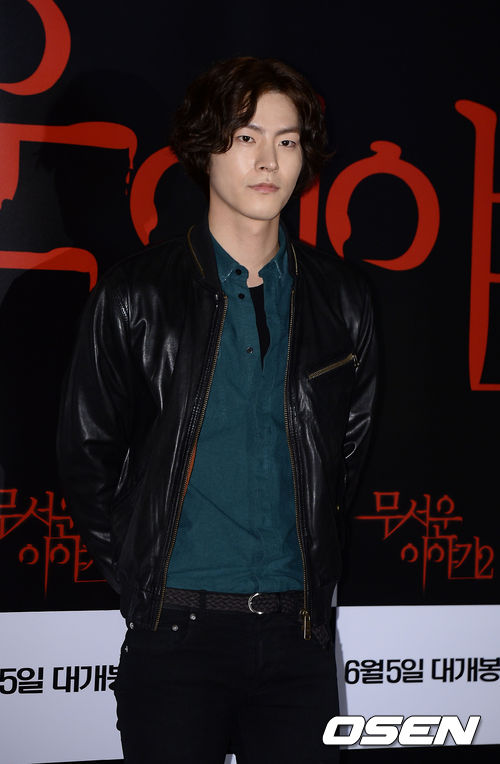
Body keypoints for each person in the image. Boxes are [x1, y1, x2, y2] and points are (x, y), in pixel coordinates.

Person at [57, 56, 377, 764]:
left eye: (287, 140)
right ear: (205, 149)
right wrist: (145, 585)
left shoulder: (342, 298)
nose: (269, 161)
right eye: (245, 137)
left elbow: (346, 456)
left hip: (298, 639)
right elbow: (86, 456)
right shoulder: (136, 294)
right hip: (176, 637)